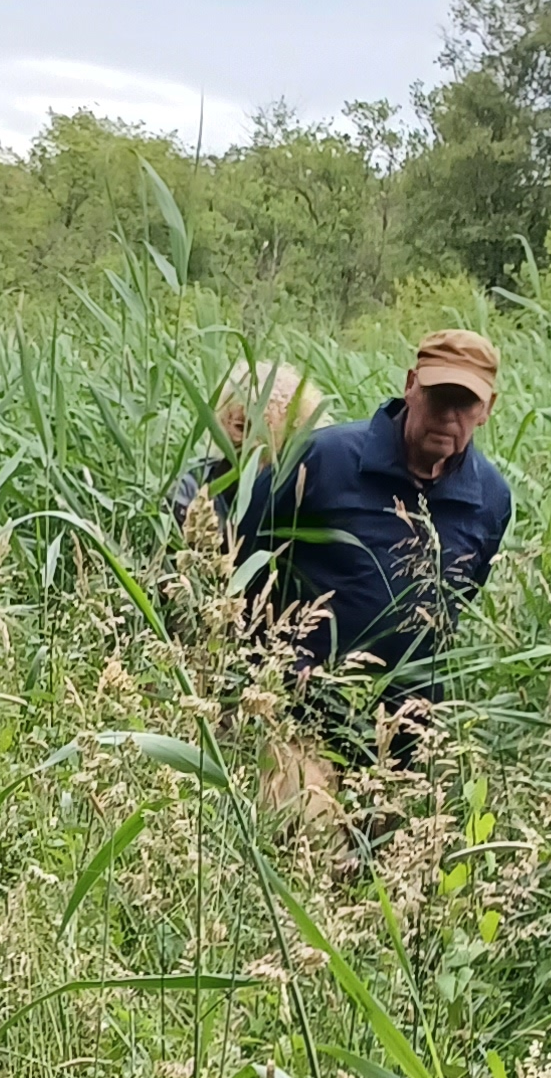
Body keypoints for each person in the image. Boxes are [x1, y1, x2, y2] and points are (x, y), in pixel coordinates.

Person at [231, 328, 513, 773]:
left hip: (403, 737)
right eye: (438, 396)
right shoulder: (323, 458)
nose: (448, 415)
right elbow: (240, 554)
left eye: (465, 404)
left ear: (487, 410)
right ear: (410, 386)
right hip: (295, 712)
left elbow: (457, 601)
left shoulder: (490, 499)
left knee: (388, 841)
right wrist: (266, 663)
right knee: (313, 835)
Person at [164, 359, 329, 542]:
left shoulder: (310, 495)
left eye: (268, 435)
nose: (252, 444)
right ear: (221, 423)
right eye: (241, 427)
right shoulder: (190, 486)